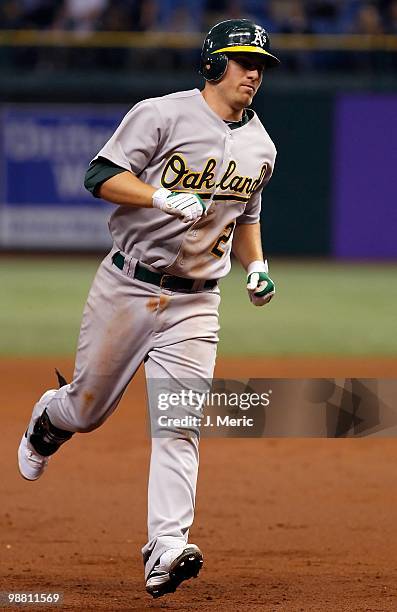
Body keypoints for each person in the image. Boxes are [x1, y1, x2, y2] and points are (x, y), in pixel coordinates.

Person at [17, 19, 280, 599]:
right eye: (241, 61)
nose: (253, 72)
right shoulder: (162, 113)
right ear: (213, 65)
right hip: (128, 287)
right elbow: (99, 174)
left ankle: (165, 549)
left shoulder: (263, 146)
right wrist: (158, 194)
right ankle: (49, 418)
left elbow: (247, 216)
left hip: (197, 303)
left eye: (260, 64)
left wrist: (255, 266)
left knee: (180, 424)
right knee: (86, 411)